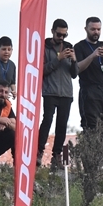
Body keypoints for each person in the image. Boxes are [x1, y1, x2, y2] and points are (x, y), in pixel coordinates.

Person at [37, 18, 79, 168]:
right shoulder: (44, 47)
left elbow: (74, 74)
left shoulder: (69, 47)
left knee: (62, 125)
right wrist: (58, 58)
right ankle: (39, 151)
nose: (61, 38)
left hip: (66, 93)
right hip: (50, 91)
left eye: (64, 35)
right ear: (52, 32)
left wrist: (74, 61)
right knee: (47, 120)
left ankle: (57, 156)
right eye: (59, 34)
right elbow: (42, 70)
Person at [74, 16, 103, 131]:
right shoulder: (79, 47)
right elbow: (77, 68)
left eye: (98, 29)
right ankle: (90, 148)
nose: (96, 32)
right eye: (93, 29)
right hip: (89, 89)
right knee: (91, 125)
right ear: (86, 29)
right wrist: (92, 56)